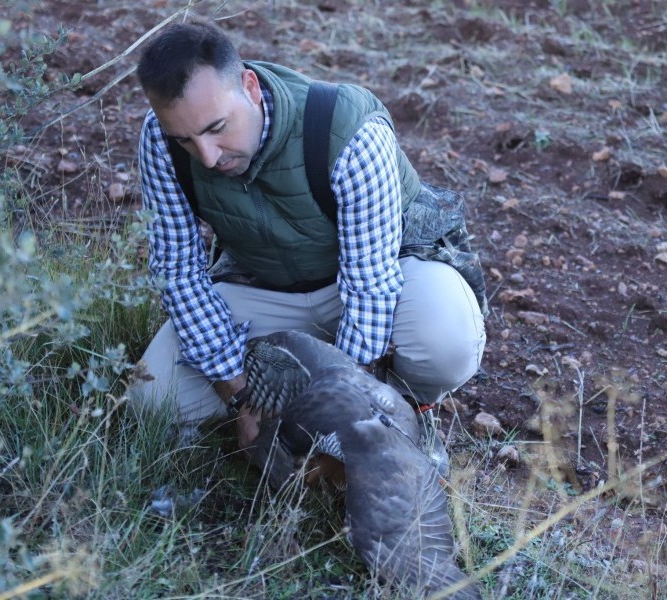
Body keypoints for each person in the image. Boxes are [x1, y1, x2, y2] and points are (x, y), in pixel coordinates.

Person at [130, 20, 487, 457]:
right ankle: (277, 399)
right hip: (265, 284)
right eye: (185, 140)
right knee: (153, 396)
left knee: (446, 344)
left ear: (250, 87)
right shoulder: (159, 139)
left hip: (378, 276)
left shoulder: (346, 127)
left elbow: (369, 284)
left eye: (217, 128)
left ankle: (401, 411)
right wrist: (240, 397)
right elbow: (177, 273)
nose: (207, 155)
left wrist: (340, 419)